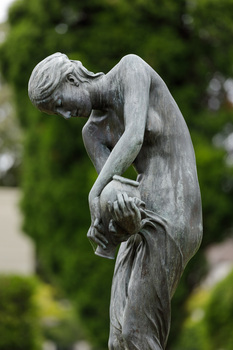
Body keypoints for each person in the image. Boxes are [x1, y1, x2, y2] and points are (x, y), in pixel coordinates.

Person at [28, 52, 203, 350]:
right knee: (117, 337)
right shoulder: (92, 133)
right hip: (143, 210)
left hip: (176, 209)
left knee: (137, 333)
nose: (67, 115)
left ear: (71, 79)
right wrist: (113, 223)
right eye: (57, 114)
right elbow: (113, 195)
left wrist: (95, 194)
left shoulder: (130, 69)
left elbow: (133, 138)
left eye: (60, 104)